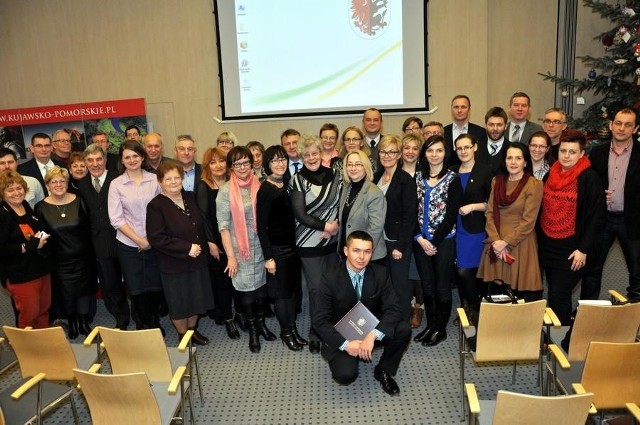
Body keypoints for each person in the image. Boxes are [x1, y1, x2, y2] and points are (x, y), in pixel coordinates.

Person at [312, 231, 410, 396]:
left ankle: (383, 370)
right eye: (356, 250)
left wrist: (372, 335)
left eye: (367, 251)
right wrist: (346, 345)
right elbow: (319, 320)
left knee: (404, 329)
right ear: (345, 251)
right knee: (345, 376)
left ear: (372, 253)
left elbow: (394, 308)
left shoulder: (380, 273)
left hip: (369, 329)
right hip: (342, 334)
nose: (361, 257)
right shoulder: (330, 276)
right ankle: (351, 355)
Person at [537, 134, 605, 325]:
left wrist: (583, 249)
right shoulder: (551, 173)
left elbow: (596, 219)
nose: (566, 156)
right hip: (548, 244)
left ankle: (561, 339)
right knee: (554, 291)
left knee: (559, 293)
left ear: (582, 154)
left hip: (573, 249)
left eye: (572, 152)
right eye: (563, 151)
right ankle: (556, 333)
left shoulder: (589, 178)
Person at [146, 161, 214, 345]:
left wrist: (207, 244)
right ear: (160, 181)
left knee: (197, 300)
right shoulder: (155, 205)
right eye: (168, 179)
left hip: (197, 260)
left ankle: (192, 331)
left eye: (177, 177)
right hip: (174, 264)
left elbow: (200, 223)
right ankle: (183, 335)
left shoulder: (190, 197)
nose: (174, 182)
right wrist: (187, 248)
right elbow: (156, 238)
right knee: (180, 303)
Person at [217, 146, 274, 353]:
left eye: (245, 162)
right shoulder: (224, 191)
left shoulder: (261, 185)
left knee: (261, 292)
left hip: (261, 247)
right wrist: (231, 257)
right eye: (237, 163)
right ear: (231, 167)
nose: (242, 167)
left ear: (252, 163)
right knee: (247, 295)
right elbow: (223, 227)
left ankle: (261, 324)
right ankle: (253, 331)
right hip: (239, 250)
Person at [289, 134, 342, 354]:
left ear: (322, 153)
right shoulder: (297, 180)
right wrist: (325, 227)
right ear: (301, 157)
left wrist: (336, 225)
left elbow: (343, 203)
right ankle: (315, 331)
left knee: (333, 287)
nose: (311, 157)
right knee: (316, 289)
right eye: (306, 154)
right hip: (309, 241)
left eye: (315, 153)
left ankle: (331, 327)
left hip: (335, 241)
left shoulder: (338, 175)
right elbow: (300, 214)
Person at [582, 107, 640, 302]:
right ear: (610, 125)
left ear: (636, 128)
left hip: (632, 221)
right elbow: (588, 185)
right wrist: (598, 195)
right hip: (602, 220)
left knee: (637, 273)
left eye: (628, 124)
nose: (622, 128)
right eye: (618, 123)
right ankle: (587, 315)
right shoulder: (597, 153)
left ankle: (634, 319)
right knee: (592, 270)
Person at [108, 140, 164, 332]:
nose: (132, 160)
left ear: (142, 157)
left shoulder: (155, 180)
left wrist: (149, 239)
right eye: (127, 157)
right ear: (122, 161)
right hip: (128, 245)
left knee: (155, 286)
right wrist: (139, 240)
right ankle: (143, 324)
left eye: (135, 156)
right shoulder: (116, 184)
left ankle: (155, 322)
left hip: (154, 242)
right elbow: (116, 218)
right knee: (136, 289)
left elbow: (162, 211)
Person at [477, 142, 544, 301]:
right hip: (496, 238)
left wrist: (505, 242)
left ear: (525, 162)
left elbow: (529, 221)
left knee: (519, 293)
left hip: (520, 242)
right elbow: (490, 212)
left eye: (518, 158)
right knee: (496, 291)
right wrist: (496, 240)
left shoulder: (534, 185)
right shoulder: (497, 181)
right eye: (509, 158)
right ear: (504, 161)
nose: (513, 162)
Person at [412, 135, 463, 347]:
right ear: (425, 153)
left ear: (445, 153)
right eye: (430, 150)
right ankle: (430, 325)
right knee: (427, 286)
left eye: (439, 150)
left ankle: (440, 329)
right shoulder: (416, 177)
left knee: (442, 287)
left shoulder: (453, 179)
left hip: (444, 241)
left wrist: (434, 241)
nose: (434, 155)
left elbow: (451, 214)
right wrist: (419, 238)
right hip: (420, 241)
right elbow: (410, 211)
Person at [36, 166, 96, 338]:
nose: (58, 184)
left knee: (84, 292)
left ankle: (84, 322)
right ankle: (73, 323)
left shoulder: (79, 200)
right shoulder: (41, 207)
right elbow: (41, 236)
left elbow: (88, 228)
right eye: (54, 181)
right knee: (67, 294)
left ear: (67, 183)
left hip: (83, 258)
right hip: (60, 261)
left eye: (62, 181)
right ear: (47, 185)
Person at [256, 146, 305, 351]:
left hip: (292, 247)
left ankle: (293, 329)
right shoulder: (265, 189)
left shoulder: (286, 183)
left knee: (293, 292)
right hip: (277, 251)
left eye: (283, 159)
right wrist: (269, 258)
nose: (280, 164)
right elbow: (261, 227)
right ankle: (286, 333)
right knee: (282, 296)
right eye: (275, 161)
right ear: (268, 164)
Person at [78, 144, 131, 330]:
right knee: (110, 283)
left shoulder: (119, 180)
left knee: (132, 280)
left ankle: (143, 316)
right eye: (90, 160)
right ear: (85, 162)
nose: (95, 164)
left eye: (98, 159)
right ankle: (120, 316)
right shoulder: (81, 184)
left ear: (105, 160)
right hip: (99, 243)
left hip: (124, 238)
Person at [196, 147, 240, 339]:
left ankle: (239, 314)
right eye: (213, 162)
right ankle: (227, 318)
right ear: (207, 166)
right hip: (217, 241)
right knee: (223, 282)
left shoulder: (234, 183)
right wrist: (211, 243)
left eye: (221, 160)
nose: (218, 165)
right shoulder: (204, 186)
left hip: (237, 239)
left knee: (238, 280)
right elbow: (203, 218)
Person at [373, 135, 417, 322]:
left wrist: (400, 246)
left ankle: (403, 323)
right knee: (385, 284)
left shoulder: (405, 180)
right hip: (379, 240)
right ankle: (390, 319)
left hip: (396, 242)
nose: (387, 155)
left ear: (399, 155)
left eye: (392, 152)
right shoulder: (377, 177)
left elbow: (410, 215)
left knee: (400, 285)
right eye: (383, 151)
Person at [450, 134, 492, 325]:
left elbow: (493, 204)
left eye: (467, 147)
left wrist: (473, 206)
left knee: (466, 271)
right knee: (458, 272)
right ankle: (466, 308)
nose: (463, 151)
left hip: (474, 229)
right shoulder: (451, 172)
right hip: (453, 229)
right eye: (459, 148)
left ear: (475, 147)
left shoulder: (485, 171)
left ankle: (476, 307)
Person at [0, 170, 51, 328]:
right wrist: (30, 245)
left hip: (40, 268)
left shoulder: (26, 206)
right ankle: (28, 351)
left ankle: (43, 344)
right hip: (20, 274)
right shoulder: (2, 214)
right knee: (29, 315)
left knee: (43, 310)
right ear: (2, 193)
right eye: (10, 190)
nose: (16, 193)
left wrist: (38, 240)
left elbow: (35, 230)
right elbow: (2, 249)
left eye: (19, 188)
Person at [338, 150, 386, 263]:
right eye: (349, 164)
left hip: (367, 256)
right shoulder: (346, 188)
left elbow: (375, 228)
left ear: (365, 166)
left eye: (358, 164)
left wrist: (361, 254)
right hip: (348, 253)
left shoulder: (374, 192)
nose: (353, 168)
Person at [400, 133, 425, 327]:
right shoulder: (393, 172)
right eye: (406, 147)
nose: (410, 151)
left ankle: (419, 307)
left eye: (414, 148)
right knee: (404, 271)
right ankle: (406, 305)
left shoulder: (425, 173)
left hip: (421, 230)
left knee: (418, 269)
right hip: (399, 230)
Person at [443, 95, 487, 165]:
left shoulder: (480, 132)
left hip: (473, 173)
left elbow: (482, 157)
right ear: (451, 109)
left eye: (463, 107)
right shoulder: (443, 132)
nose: (459, 110)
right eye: (456, 107)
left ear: (469, 110)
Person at [476, 107, 510, 176]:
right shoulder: (476, 148)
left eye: (499, 125)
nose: (495, 129)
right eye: (491, 124)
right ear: (485, 126)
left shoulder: (512, 149)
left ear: (506, 126)